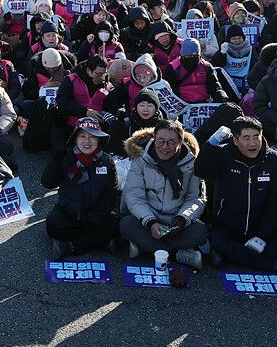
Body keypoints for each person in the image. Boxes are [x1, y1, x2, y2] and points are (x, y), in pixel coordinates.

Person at [196, 116, 277, 272]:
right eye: (246, 138)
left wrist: (262, 236)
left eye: (256, 137)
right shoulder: (224, 154)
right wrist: (210, 145)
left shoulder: (274, 160)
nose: (252, 143)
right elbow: (200, 171)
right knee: (216, 240)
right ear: (236, 141)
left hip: (259, 228)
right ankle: (273, 264)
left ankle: (230, 255)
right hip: (227, 227)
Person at [120, 119, 208, 276]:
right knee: (126, 224)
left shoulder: (193, 162)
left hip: (176, 220)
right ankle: (177, 254)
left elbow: (196, 199)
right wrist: (150, 222)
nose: (165, 147)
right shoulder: (141, 159)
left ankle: (146, 247)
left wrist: (181, 220)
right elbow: (135, 196)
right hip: (148, 218)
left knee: (200, 232)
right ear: (154, 139)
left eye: (171, 142)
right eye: (160, 141)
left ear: (180, 143)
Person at [41, 117, 121, 259]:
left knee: (116, 224)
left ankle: (71, 246)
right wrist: (55, 162)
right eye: (82, 136)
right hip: (69, 212)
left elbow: (111, 193)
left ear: (99, 140)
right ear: (75, 139)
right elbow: (47, 183)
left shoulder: (107, 161)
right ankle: (98, 242)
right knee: (53, 223)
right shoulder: (65, 156)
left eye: (92, 137)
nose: (87, 141)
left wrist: (96, 217)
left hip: (96, 214)